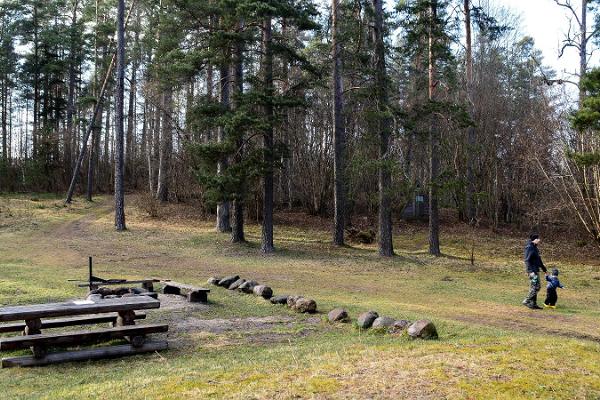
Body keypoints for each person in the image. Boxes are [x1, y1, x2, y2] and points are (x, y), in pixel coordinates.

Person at [522, 233, 547, 309]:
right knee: (536, 287)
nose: (539, 240)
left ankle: (533, 304)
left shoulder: (535, 248)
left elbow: (538, 260)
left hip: (536, 270)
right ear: (534, 239)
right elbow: (527, 260)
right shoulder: (529, 247)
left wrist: (544, 269)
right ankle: (526, 300)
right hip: (532, 272)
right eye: (538, 239)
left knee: (535, 287)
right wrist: (530, 271)